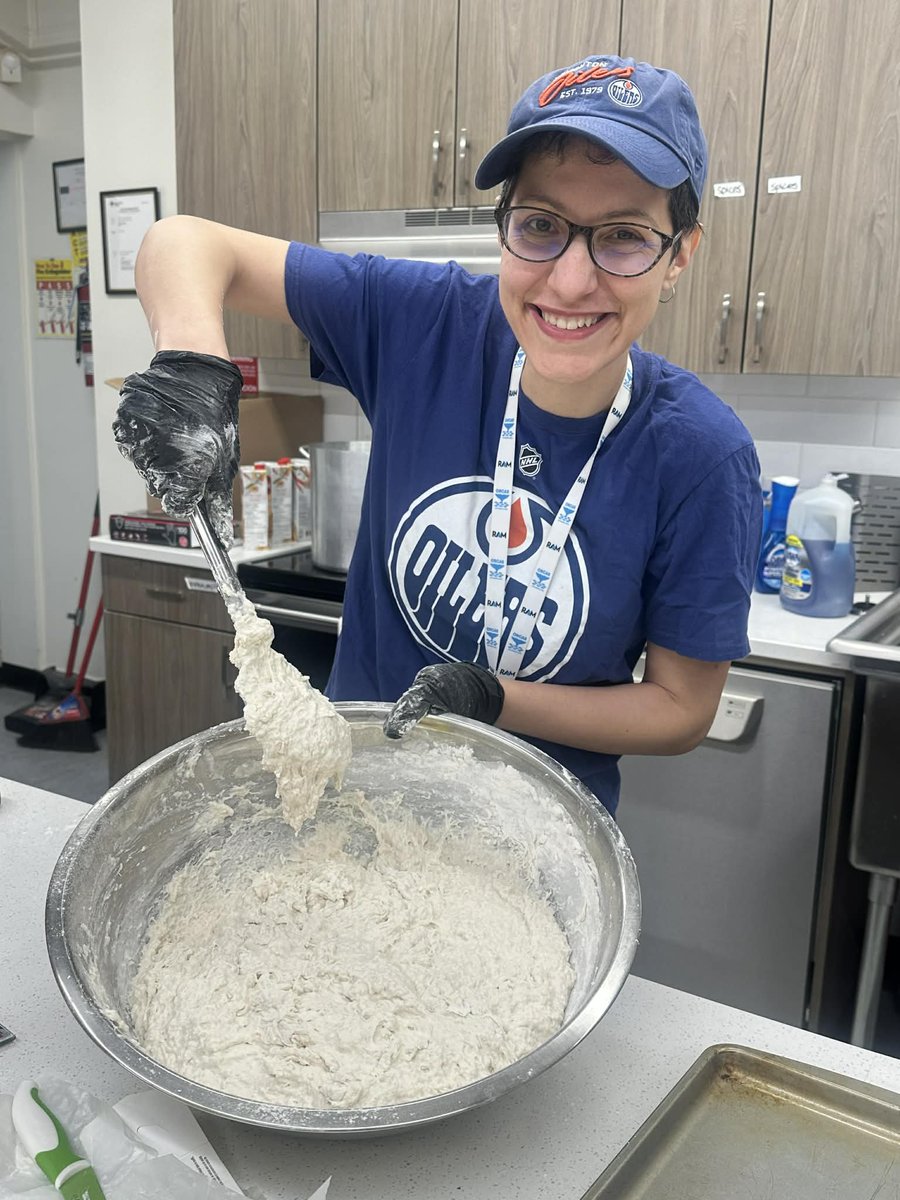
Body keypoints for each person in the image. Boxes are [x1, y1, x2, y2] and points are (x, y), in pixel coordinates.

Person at [114, 54, 762, 818]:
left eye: (622, 237)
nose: (570, 282)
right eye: (541, 227)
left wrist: (495, 698)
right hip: (352, 797)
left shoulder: (700, 455)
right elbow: (183, 242)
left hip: (533, 835)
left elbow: (681, 709)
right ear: (503, 227)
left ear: (679, 252)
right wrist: (192, 363)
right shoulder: (427, 326)